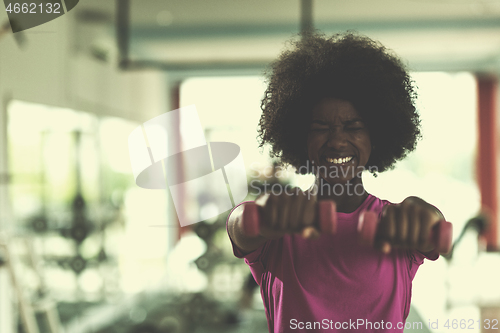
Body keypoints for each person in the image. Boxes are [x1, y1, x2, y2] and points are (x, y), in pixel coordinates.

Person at [226, 32, 445, 332]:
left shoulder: (396, 224)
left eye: (353, 127)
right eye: (321, 127)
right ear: (301, 138)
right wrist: (259, 215)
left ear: (376, 136)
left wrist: (427, 217)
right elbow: (241, 225)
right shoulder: (279, 224)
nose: (337, 140)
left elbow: (434, 231)